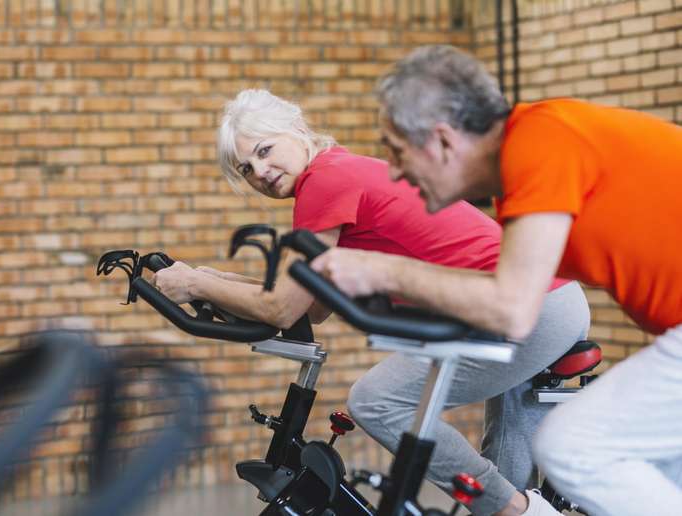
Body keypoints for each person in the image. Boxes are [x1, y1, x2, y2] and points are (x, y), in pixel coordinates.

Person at [152, 89, 590, 516]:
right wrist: (212, 278)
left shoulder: (323, 183)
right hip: (547, 298)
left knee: (377, 400)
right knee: (504, 462)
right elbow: (312, 303)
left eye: (265, 150)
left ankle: (517, 510)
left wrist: (197, 286)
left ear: (297, 129)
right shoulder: (339, 171)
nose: (261, 171)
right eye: (247, 168)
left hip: (527, 307)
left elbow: (282, 308)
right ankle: (518, 505)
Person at [309, 45, 682, 516]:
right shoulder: (525, 169)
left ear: (442, 141)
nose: (396, 172)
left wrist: (383, 269)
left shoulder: (538, 145)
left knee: (573, 447)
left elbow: (511, 307)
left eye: (398, 153)